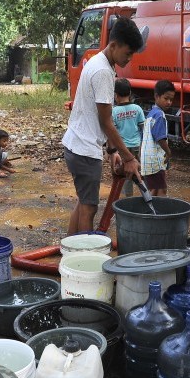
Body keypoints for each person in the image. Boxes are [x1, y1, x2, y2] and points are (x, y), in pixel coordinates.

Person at [62, 16, 144, 234]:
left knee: (83, 202)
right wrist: (129, 157)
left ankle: (69, 251)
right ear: (114, 45)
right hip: (85, 150)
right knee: (89, 208)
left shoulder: (99, 62)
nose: (129, 59)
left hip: (76, 144)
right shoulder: (103, 72)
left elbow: (99, 116)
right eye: (127, 53)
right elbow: (106, 122)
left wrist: (111, 150)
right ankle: (83, 258)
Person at [140, 80, 174, 197]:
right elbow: (160, 138)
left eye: (171, 99)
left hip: (148, 160)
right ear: (156, 96)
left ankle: (151, 212)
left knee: (154, 189)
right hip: (155, 161)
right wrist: (168, 152)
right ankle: (159, 214)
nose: (169, 102)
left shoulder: (151, 113)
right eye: (166, 98)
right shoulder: (160, 115)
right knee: (161, 190)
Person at [111, 78, 144, 196]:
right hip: (136, 146)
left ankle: (127, 199)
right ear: (129, 93)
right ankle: (146, 195)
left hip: (122, 149)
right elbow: (143, 128)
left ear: (115, 95)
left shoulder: (114, 111)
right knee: (137, 171)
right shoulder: (137, 109)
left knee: (124, 174)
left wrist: (109, 150)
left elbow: (112, 133)